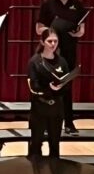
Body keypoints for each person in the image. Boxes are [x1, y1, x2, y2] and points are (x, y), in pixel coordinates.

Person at [36, 0, 87, 136]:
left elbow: (82, 30)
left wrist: (78, 31)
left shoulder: (77, 5)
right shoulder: (48, 3)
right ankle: (45, 122)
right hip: (51, 49)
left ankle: (69, 122)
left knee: (67, 85)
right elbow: (38, 29)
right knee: (48, 84)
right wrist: (52, 29)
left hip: (69, 48)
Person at [27, 28, 67, 157]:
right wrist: (49, 89)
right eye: (49, 41)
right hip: (40, 107)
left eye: (55, 41)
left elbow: (67, 84)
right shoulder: (35, 62)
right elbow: (33, 86)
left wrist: (61, 87)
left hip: (57, 108)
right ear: (42, 42)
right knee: (36, 144)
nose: (53, 44)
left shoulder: (61, 61)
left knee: (55, 144)